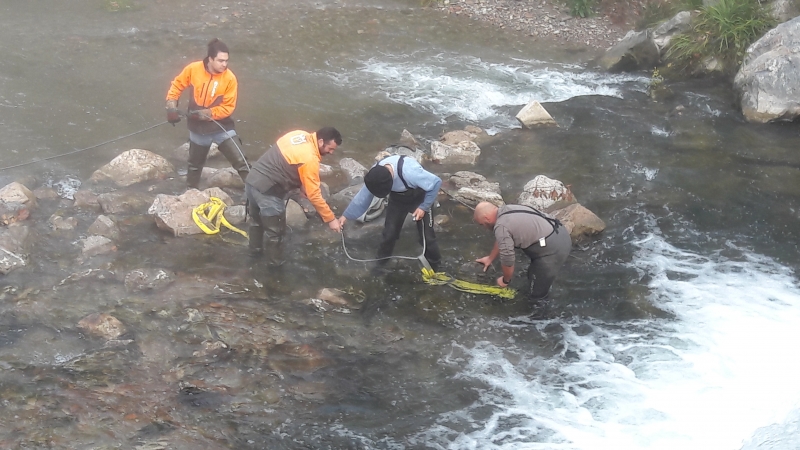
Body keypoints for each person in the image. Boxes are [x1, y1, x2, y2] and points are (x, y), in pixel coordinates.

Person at [244, 127, 343, 262]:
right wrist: (331, 220)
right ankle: (275, 267)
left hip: (252, 181)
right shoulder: (310, 158)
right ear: (320, 142)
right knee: (276, 234)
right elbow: (314, 195)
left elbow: (287, 160)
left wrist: (301, 186)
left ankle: (253, 255)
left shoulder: (299, 134)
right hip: (268, 192)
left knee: (256, 222)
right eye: (330, 148)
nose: (331, 152)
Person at [165, 38, 248, 189]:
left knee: (242, 163)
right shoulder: (193, 69)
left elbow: (228, 107)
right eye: (221, 60)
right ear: (210, 59)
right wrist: (171, 105)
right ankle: (191, 193)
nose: (225, 64)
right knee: (194, 166)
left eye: (226, 61)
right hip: (197, 130)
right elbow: (177, 85)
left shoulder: (230, 78)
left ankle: (256, 193)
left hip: (222, 128)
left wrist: (207, 113)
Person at [338, 154, 442, 272]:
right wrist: (345, 216)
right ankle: (381, 264)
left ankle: (436, 265)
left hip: (420, 198)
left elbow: (436, 183)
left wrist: (424, 207)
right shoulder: (376, 175)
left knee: (427, 237)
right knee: (389, 234)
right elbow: (362, 197)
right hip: (397, 200)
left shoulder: (410, 171)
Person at [473, 201, 571, 300]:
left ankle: (544, 314)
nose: (484, 227)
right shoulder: (506, 209)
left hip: (553, 250)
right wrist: (490, 259)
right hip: (559, 231)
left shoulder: (501, 226)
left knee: (537, 296)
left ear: (486, 218)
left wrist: (505, 281)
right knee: (532, 276)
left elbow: (508, 260)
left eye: (482, 224)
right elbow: (502, 239)